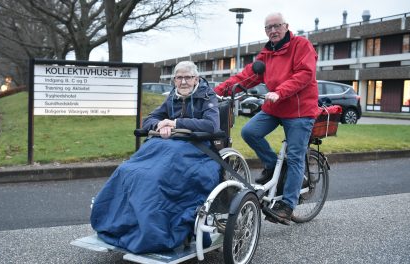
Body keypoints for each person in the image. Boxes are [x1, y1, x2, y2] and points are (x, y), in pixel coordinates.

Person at [90, 61, 221, 253]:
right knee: (126, 170)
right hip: (164, 147)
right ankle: (121, 225)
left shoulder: (207, 96)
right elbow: (149, 119)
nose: (183, 82)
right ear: (174, 80)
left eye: (187, 77)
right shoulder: (172, 97)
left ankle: (153, 232)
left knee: (153, 178)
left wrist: (175, 122)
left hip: (196, 150)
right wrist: (160, 125)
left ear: (196, 79)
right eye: (179, 78)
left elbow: (211, 125)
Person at [214, 12, 318, 225]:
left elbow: (304, 73)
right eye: (268, 28)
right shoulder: (267, 53)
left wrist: (280, 90)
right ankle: (273, 167)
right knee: (249, 131)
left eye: (276, 26)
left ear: (286, 26)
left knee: (296, 155)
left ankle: (287, 205)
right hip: (275, 106)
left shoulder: (301, 45)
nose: (273, 30)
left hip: (299, 109)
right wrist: (218, 90)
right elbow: (248, 76)